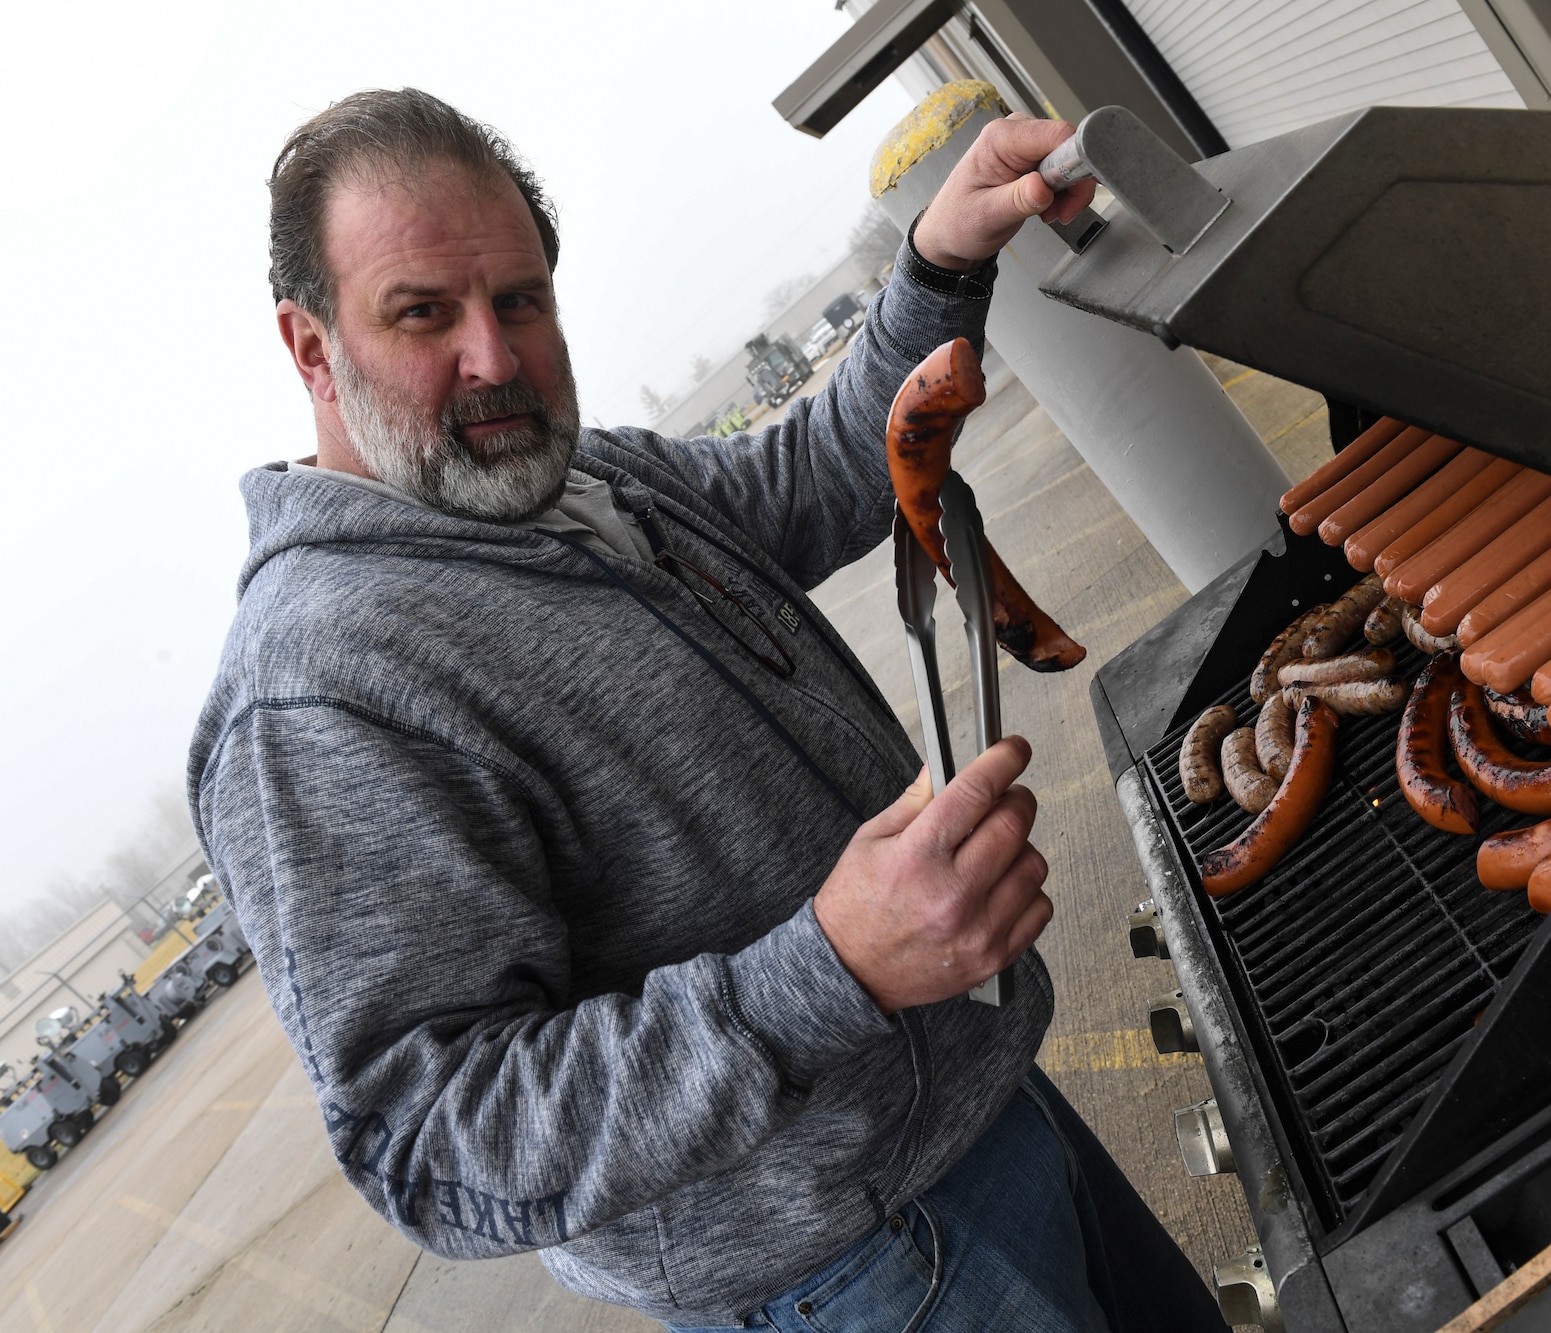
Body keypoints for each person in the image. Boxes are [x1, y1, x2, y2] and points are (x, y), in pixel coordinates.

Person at [189, 88, 1223, 1330]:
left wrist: (935, 266)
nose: (494, 357)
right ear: (311, 348)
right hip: (856, 1273)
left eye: (519, 299)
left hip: (979, 1110)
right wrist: (829, 971)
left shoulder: (582, 481)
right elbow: (437, 1141)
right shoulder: (318, 688)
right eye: (423, 313)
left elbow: (825, 470)